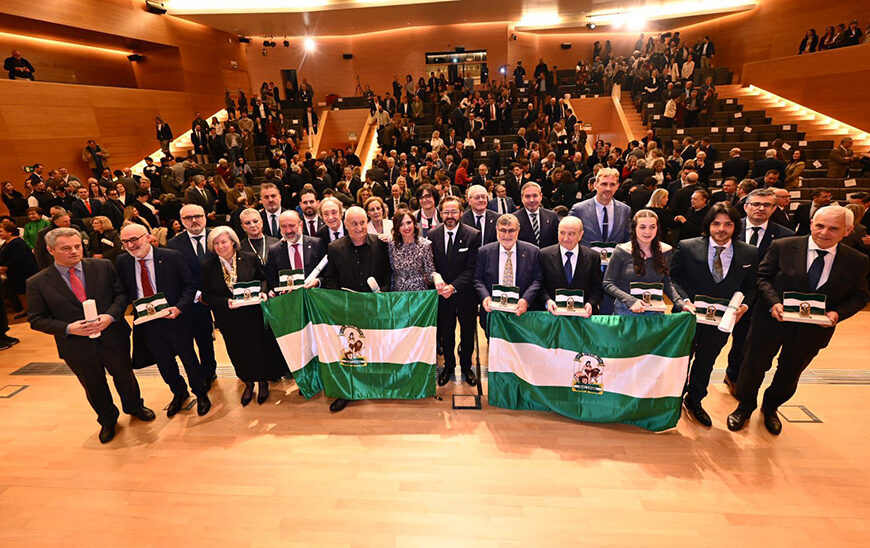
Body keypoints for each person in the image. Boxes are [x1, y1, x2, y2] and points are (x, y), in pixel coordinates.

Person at [727, 206, 870, 435]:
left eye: (834, 228)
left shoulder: (857, 261)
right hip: (771, 322)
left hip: (813, 331)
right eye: (820, 226)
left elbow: (859, 296)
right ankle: (744, 406)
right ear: (811, 223)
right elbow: (762, 278)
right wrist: (774, 302)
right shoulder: (783, 246)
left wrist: (837, 314)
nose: (824, 232)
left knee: (790, 372)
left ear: (848, 231)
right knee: (753, 366)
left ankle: (771, 407)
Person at [27, 227, 155, 443]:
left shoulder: (103, 266)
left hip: (112, 336)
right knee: (93, 384)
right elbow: (36, 319)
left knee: (124, 376)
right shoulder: (37, 282)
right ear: (50, 250)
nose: (74, 251)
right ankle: (107, 419)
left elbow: (121, 295)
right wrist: (69, 328)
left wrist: (110, 316)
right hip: (76, 345)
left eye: (77, 246)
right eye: (66, 248)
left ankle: (134, 406)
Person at [670, 204, 757, 426]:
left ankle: (695, 400)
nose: (721, 229)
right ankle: (673, 398)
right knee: (680, 359)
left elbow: (751, 286)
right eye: (716, 223)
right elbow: (672, 279)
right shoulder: (687, 247)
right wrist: (683, 302)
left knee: (706, 361)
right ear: (708, 225)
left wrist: (744, 306)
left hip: (721, 321)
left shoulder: (749, 252)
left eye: (728, 224)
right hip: (687, 317)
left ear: (735, 227)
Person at [117, 223, 211, 417]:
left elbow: (189, 286)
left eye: (134, 239)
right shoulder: (122, 261)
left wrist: (179, 308)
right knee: (164, 363)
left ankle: (201, 393)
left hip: (175, 319)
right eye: (125, 241)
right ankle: (179, 392)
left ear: (147, 237)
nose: (131, 245)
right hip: (147, 323)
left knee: (189, 359)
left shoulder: (171, 257)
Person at [319, 206, 392, 412]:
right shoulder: (335, 248)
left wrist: (383, 293)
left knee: (375, 346)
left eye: (362, 223)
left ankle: (374, 385)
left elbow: (388, 273)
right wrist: (339, 301)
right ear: (345, 224)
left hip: (374, 306)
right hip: (348, 308)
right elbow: (331, 278)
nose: (359, 227)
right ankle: (348, 390)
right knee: (349, 351)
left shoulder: (380, 243)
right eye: (354, 223)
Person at [201, 227, 285, 405]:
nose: (220, 246)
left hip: (253, 314)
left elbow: (263, 279)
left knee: (259, 349)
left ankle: (263, 382)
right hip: (229, 318)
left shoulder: (249, 258)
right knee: (238, 352)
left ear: (233, 242)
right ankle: (248, 383)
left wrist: (263, 292)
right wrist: (226, 302)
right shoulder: (207, 266)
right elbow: (207, 296)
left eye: (224, 242)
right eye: (216, 243)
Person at [725, 189, 796, 392]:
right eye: (756, 204)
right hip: (729, 294)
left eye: (766, 205)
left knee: (750, 342)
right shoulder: (728, 228)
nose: (761, 208)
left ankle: (735, 377)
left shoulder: (786, 236)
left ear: (774, 209)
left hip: (763, 298)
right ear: (746, 206)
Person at [428, 196, 481, 386]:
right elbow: (431, 264)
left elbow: (471, 268)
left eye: (454, 212)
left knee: (467, 333)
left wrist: (453, 287)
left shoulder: (473, 235)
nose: (450, 216)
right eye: (446, 212)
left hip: (465, 294)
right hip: (442, 295)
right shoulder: (432, 235)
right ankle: (448, 367)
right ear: (440, 213)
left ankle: (466, 367)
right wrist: (440, 283)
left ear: (461, 213)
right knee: (446, 333)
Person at [166, 204, 218, 391]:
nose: (194, 220)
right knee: (202, 339)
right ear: (181, 221)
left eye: (198, 216)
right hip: (194, 299)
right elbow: (176, 275)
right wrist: (196, 294)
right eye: (188, 218)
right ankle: (207, 373)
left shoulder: (217, 236)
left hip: (220, 296)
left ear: (205, 216)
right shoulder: (173, 244)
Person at [473, 213, 542, 332]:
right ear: (496, 230)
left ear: (518, 230)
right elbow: (477, 279)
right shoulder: (484, 252)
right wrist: (485, 297)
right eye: (503, 230)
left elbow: (537, 280)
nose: (507, 235)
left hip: (522, 313)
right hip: (493, 313)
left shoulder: (533, 251)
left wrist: (525, 300)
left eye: (511, 231)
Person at [603, 209, 678, 315]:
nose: (647, 231)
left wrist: (680, 302)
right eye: (642, 227)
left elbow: (666, 281)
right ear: (634, 228)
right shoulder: (621, 251)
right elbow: (608, 283)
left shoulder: (666, 251)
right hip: (626, 311)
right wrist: (630, 300)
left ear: (657, 228)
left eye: (652, 227)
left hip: (656, 312)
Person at [539, 216, 603, 315]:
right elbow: (539, 284)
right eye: (562, 233)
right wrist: (547, 300)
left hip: (582, 316)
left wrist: (591, 303)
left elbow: (597, 287)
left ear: (580, 235)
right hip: (553, 316)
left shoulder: (593, 257)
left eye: (571, 234)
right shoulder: (543, 255)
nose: (565, 238)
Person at [265, 210, 327, 291]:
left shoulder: (317, 244)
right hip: (289, 297)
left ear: (301, 224)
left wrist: (318, 281)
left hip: (314, 294)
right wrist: (281, 291)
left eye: (292, 225)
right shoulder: (274, 250)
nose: (288, 230)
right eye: (283, 226)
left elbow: (328, 273)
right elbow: (272, 279)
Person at [570, 168, 631, 247]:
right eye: (604, 184)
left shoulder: (625, 210)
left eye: (612, 184)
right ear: (595, 185)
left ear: (617, 187)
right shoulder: (579, 210)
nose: (608, 188)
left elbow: (628, 240)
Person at [387, 209, 435, 291]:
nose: (406, 227)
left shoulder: (425, 245)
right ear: (397, 228)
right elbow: (390, 271)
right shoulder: (391, 244)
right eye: (401, 224)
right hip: (398, 293)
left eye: (409, 223)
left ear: (414, 224)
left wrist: (436, 277)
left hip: (419, 293)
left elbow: (430, 274)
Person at [0, 219, 39, 316]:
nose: (0, 234)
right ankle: (26, 309)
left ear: (9, 232)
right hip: (14, 272)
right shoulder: (8, 242)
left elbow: (18, 258)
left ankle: (31, 310)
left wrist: (6, 266)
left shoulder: (17, 242)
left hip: (23, 272)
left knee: (25, 291)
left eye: (1, 231)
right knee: (19, 291)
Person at [515, 182, 559, 248]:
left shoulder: (552, 216)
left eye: (535, 196)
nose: (531, 200)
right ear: (522, 198)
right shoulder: (514, 219)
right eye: (527, 196)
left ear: (541, 196)